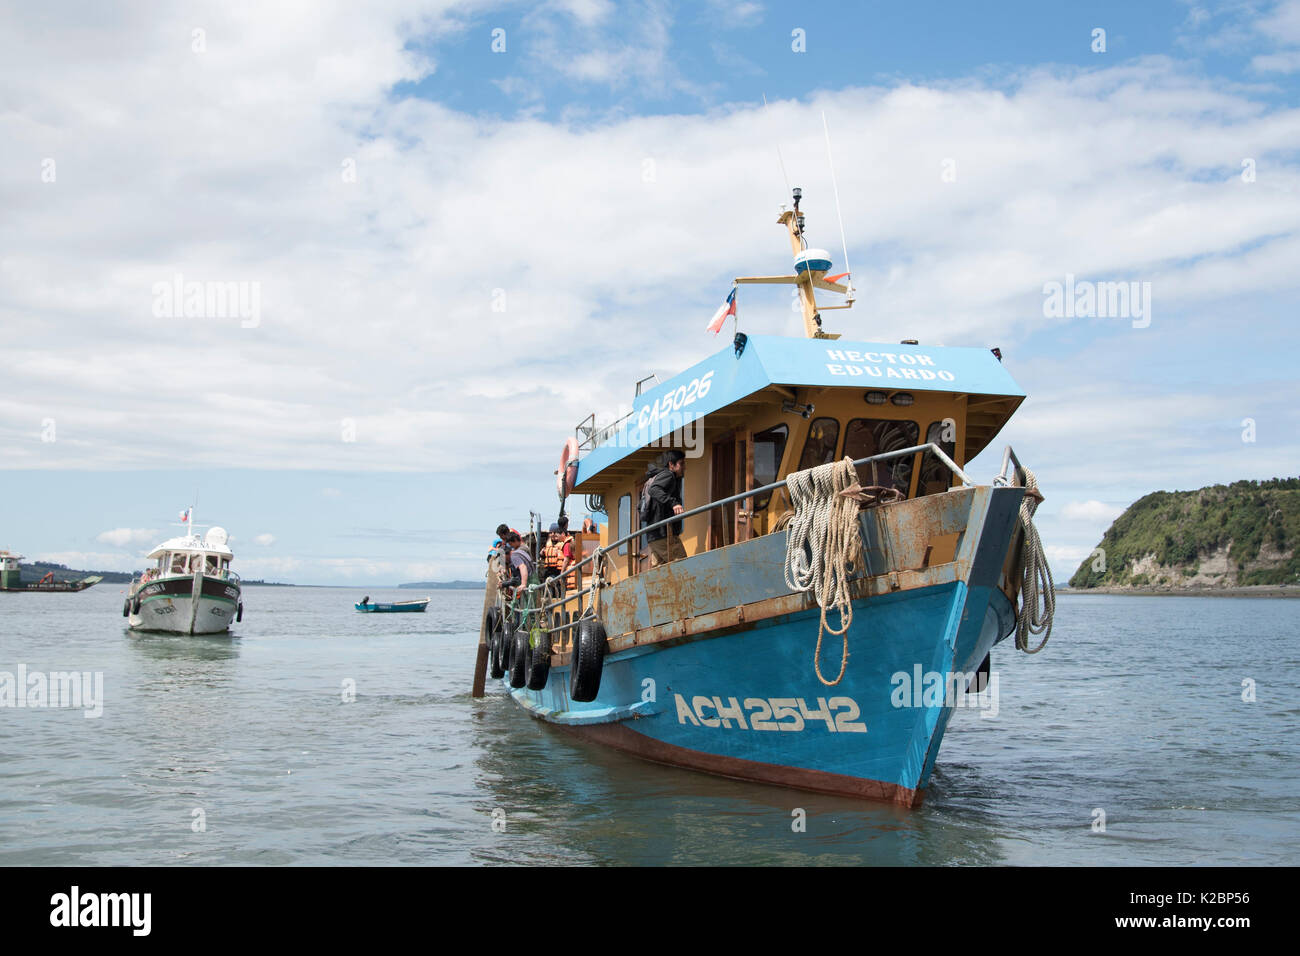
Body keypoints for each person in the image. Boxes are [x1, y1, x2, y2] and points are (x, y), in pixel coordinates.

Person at [645, 449, 687, 566]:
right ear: (671, 465)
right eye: (681, 464)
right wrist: (673, 503)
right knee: (682, 565)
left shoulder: (670, 477)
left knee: (660, 573)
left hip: (654, 536)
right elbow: (654, 489)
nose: (684, 467)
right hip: (664, 535)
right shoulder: (668, 475)